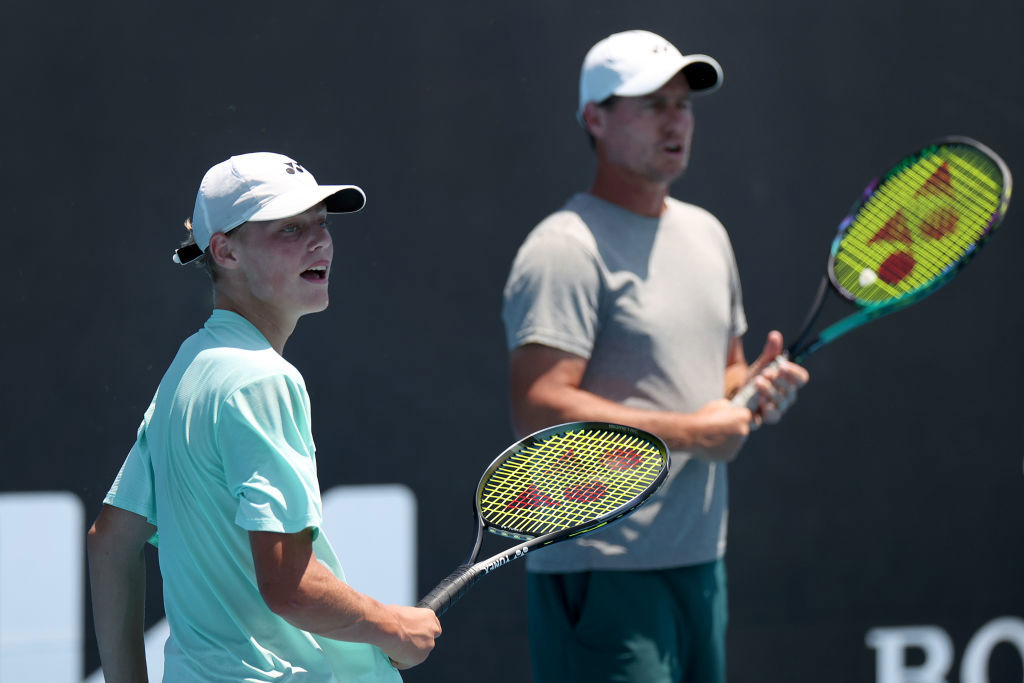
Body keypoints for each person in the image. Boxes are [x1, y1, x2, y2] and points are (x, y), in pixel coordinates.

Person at [501, 30, 810, 682]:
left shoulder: (707, 233)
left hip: (699, 562)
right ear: (596, 119)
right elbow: (540, 407)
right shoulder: (563, 248)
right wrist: (694, 431)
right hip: (601, 572)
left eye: (684, 103)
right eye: (652, 104)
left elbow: (723, 371)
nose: (677, 120)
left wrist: (751, 391)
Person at [87, 152, 441, 682]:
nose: (319, 241)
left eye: (321, 224)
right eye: (290, 229)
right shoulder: (262, 380)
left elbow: (109, 542)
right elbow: (288, 585)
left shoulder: (190, 367)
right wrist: (392, 628)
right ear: (225, 251)